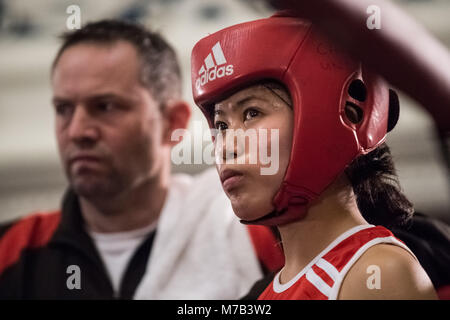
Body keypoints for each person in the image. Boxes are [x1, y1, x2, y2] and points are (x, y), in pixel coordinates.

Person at [0, 19, 283, 299]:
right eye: (64, 109)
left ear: (173, 122)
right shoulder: (11, 250)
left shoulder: (257, 235)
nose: (77, 131)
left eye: (105, 107)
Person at [191, 12, 438, 299]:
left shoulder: (376, 272)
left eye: (252, 113)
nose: (226, 145)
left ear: (340, 115)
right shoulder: (267, 294)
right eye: (221, 125)